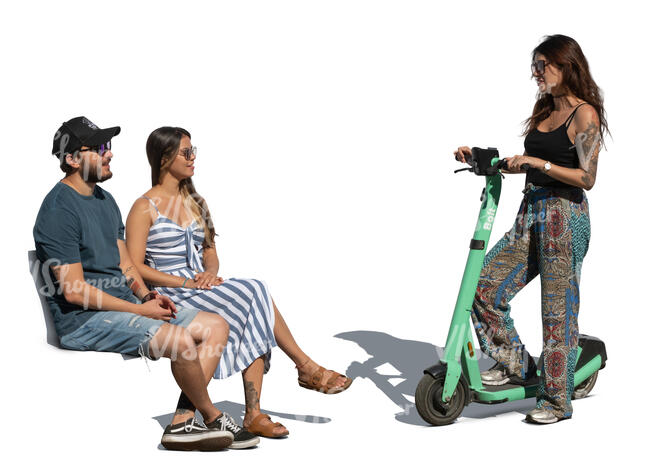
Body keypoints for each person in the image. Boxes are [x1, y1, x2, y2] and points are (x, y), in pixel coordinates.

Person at [34, 116, 259, 450]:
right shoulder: (58, 209)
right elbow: (74, 290)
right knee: (181, 340)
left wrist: (147, 296)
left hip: (125, 307)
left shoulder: (104, 201)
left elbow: (126, 263)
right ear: (72, 159)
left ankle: (182, 423)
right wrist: (140, 310)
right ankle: (211, 416)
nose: (108, 154)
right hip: (83, 321)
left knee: (216, 326)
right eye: (98, 148)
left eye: (108, 146)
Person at [125, 127, 353, 438]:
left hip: (199, 287)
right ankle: (295, 375)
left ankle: (263, 405)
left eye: (194, 151)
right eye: (186, 152)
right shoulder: (143, 206)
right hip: (171, 292)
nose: (193, 158)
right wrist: (186, 283)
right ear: (164, 159)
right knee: (254, 291)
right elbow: (135, 266)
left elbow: (210, 252)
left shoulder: (195, 200)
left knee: (254, 298)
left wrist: (208, 272)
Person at [453, 34, 608, 424]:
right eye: (534, 66)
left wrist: (540, 167)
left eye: (543, 66)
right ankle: (517, 366)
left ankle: (557, 401)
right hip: (531, 212)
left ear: (565, 65)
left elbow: (586, 178)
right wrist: (485, 160)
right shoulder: (543, 110)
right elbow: (527, 160)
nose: (536, 73)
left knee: (556, 310)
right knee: (484, 286)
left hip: (564, 216)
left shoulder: (584, 115)